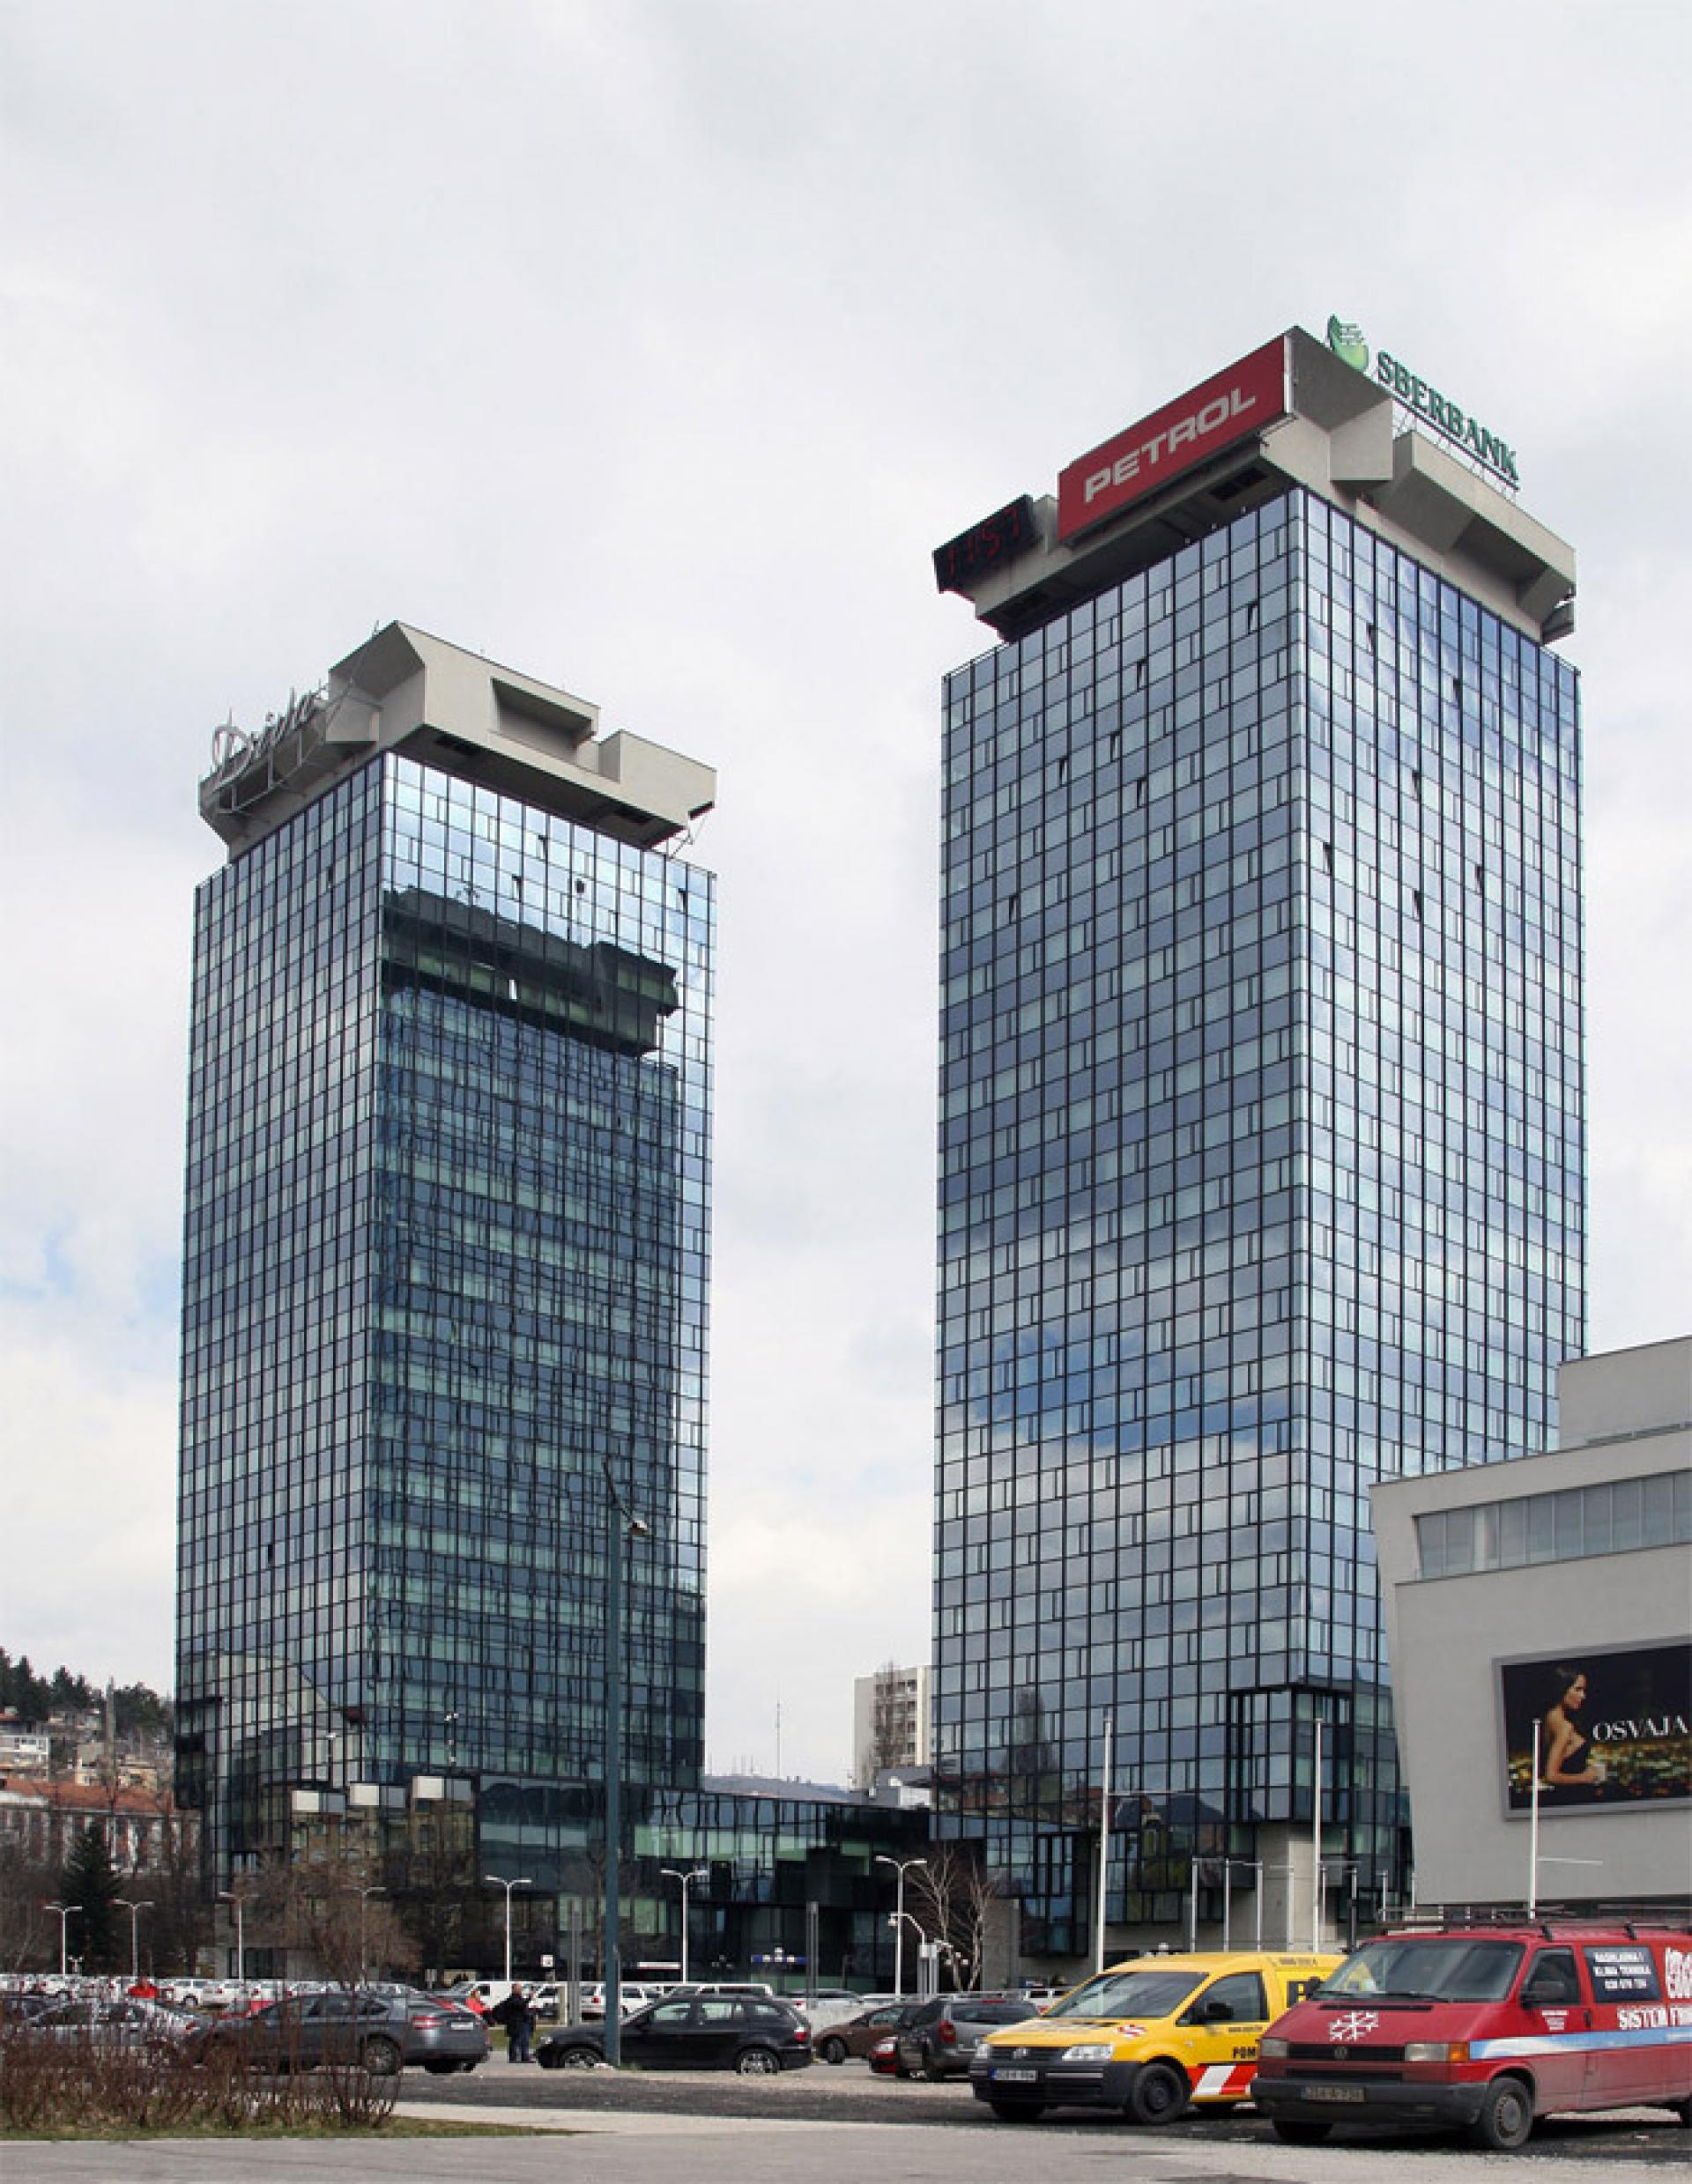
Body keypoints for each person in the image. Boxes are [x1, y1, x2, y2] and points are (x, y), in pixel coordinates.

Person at [1540, 1664, 1604, 1794]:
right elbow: (1551, 1775)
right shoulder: (1564, 1726)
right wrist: (1584, 1778)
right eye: (1578, 1689)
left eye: (1584, 1690)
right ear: (1562, 1689)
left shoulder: (1550, 1716)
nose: (1583, 1696)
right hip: (1571, 1796)